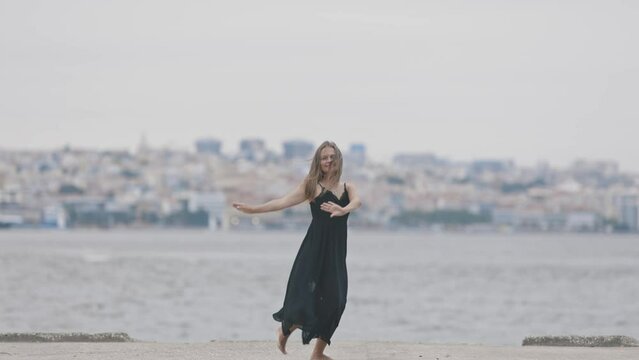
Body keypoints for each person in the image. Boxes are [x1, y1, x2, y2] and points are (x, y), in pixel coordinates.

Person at [232, 141, 361, 360]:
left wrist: (344, 209)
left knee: (337, 301)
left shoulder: (348, 187)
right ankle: (284, 331)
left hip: (336, 254)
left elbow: (357, 202)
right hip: (313, 249)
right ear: (319, 163)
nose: (329, 160)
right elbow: (281, 202)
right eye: (324, 157)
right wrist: (253, 209)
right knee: (304, 298)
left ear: (338, 159)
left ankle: (317, 354)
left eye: (332, 156)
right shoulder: (311, 186)